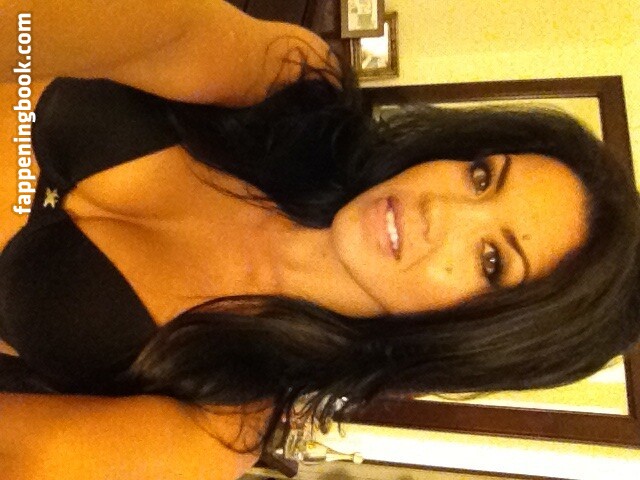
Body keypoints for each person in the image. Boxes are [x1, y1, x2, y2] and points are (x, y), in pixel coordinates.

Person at [1, 1, 639, 479]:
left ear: (477, 339)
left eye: (492, 259)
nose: (437, 209)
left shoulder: (221, 422)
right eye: (480, 176)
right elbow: (116, 23)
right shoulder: (292, 90)